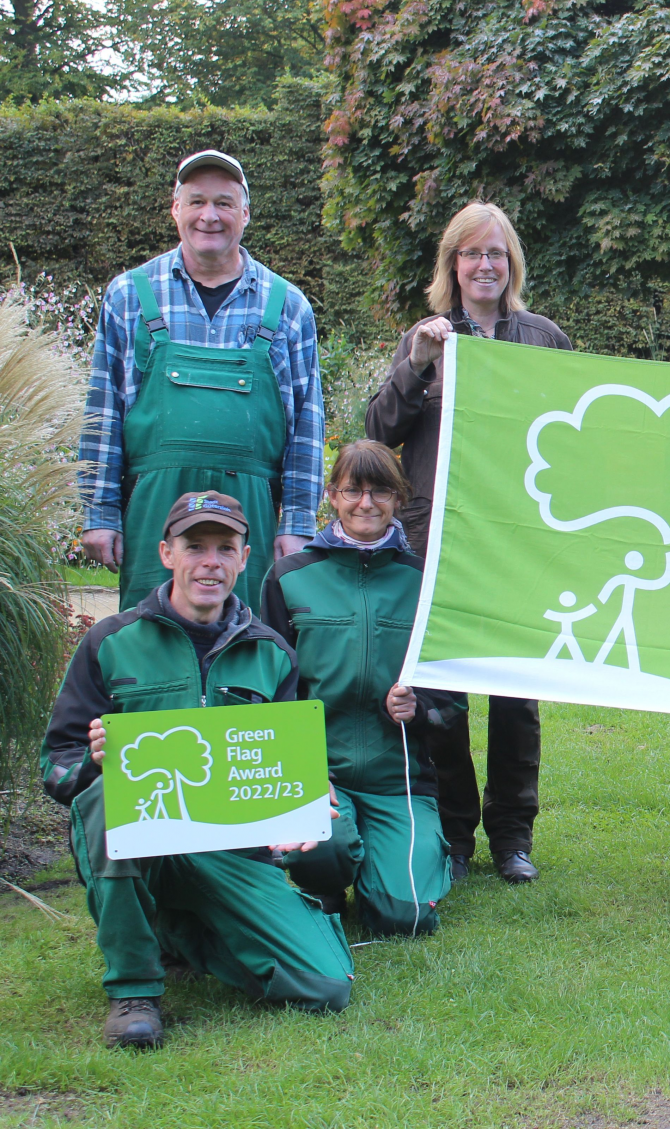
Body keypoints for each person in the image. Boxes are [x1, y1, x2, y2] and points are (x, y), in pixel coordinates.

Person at [40, 491, 352, 1050]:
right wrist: (92, 766)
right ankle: (133, 990)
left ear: (243, 558)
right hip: (140, 845)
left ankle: (184, 932)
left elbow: (277, 766)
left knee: (324, 987)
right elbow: (56, 767)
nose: (210, 561)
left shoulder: (272, 652)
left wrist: (305, 794)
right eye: (195, 546)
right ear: (166, 553)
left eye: (224, 548)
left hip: (227, 850)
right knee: (107, 798)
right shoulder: (111, 642)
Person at [366, 201, 572, 885]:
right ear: (451, 265)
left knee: (518, 695)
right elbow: (379, 432)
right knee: (441, 697)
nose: (485, 265)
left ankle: (513, 836)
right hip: (439, 543)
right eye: (471, 253)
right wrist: (415, 366)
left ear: (511, 264)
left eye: (497, 253)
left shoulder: (542, 339)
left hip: (519, 545)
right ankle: (454, 835)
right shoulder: (424, 338)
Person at [78, 149, 324, 612]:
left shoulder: (288, 306)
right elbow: (103, 413)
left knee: (250, 646)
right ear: (175, 209)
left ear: (245, 214)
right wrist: (100, 512)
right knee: (148, 643)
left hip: (251, 510)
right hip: (153, 512)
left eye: (224, 203)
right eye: (196, 202)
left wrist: (297, 522)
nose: (209, 216)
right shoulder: (130, 295)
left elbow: (306, 425)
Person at [259, 441, 451, 936]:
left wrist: (420, 706)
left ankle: (390, 865)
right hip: (320, 774)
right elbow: (268, 690)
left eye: (380, 491)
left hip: (398, 778)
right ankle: (323, 878)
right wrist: (298, 770)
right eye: (353, 490)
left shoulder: (425, 581)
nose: (366, 503)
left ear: (399, 498)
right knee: (324, 852)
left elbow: (451, 698)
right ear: (332, 496)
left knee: (403, 917)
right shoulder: (289, 577)